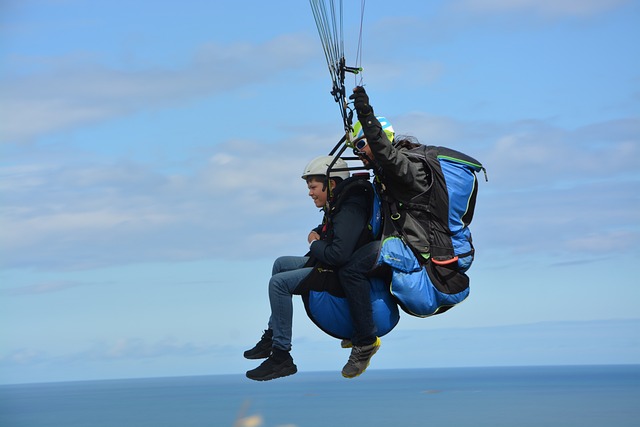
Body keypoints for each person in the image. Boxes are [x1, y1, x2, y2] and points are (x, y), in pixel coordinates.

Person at [244, 155, 381, 381]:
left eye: (314, 187)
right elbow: (337, 231)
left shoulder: (349, 207)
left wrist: (315, 243)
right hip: (328, 264)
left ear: (332, 184)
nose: (310, 192)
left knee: (278, 284)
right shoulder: (340, 203)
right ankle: (272, 336)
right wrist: (319, 231)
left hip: (335, 272)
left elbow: (339, 255)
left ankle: (281, 356)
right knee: (280, 264)